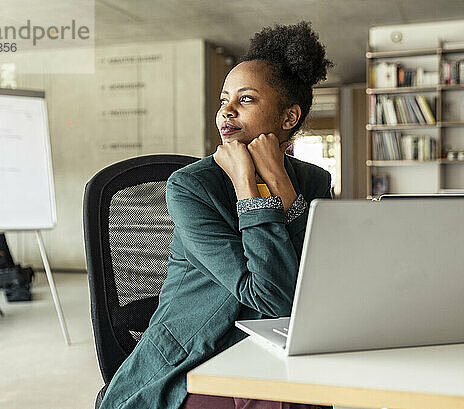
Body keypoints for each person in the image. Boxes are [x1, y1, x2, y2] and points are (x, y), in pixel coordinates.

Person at [99, 21, 333, 409]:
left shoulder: (313, 181)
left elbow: (314, 293)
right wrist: (247, 186)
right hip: (195, 357)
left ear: (288, 118)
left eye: (246, 99)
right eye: (225, 99)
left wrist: (282, 185)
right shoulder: (191, 187)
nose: (226, 110)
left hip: (277, 347)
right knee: (289, 402)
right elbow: (273, 297)